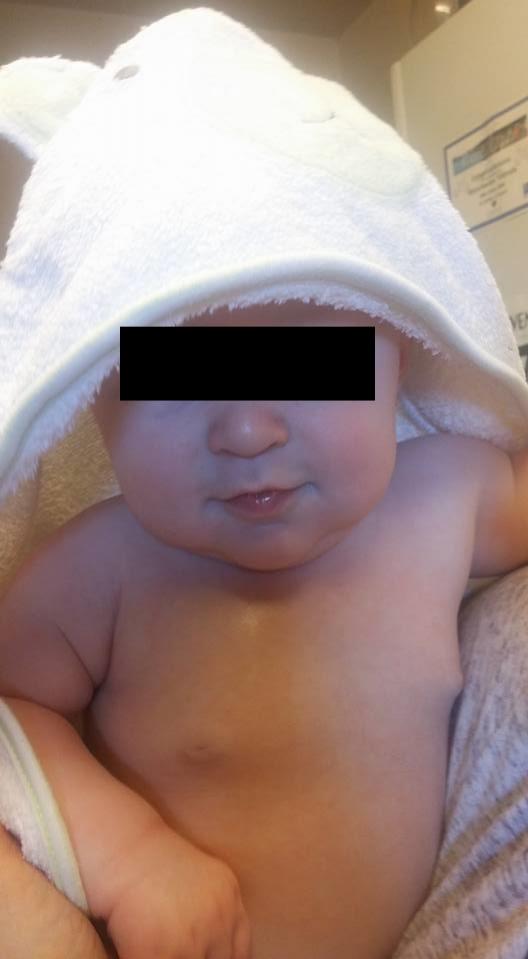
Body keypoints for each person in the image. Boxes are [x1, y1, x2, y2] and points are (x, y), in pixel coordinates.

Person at [1, 8, 528, 959]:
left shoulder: (452, 497)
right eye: (173, 376)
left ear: (403, 346)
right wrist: (129, 852)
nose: (247, 430)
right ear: (89, 397)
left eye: (309, 362)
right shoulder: (97, 571)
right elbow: (9, 707)